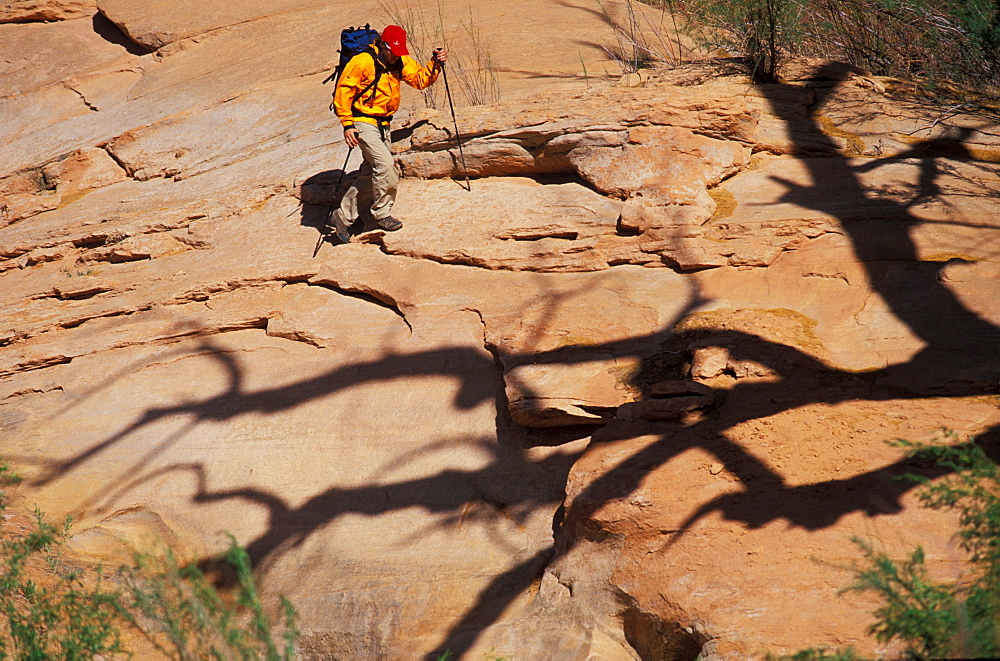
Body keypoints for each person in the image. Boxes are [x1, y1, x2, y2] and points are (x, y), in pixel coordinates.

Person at [329, 25, 448, 243]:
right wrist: (347, 125)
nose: (396, 56)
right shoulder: (363, 62)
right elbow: (343, 93)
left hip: (384, 124)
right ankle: (382, 214)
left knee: (370, 173)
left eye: (399, 51)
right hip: (362, 121)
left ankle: (342, 216)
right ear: (383, 45)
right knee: (385, 167)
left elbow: (420, 80)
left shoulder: (400, 60)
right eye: (393, 51)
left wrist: (435, 64)